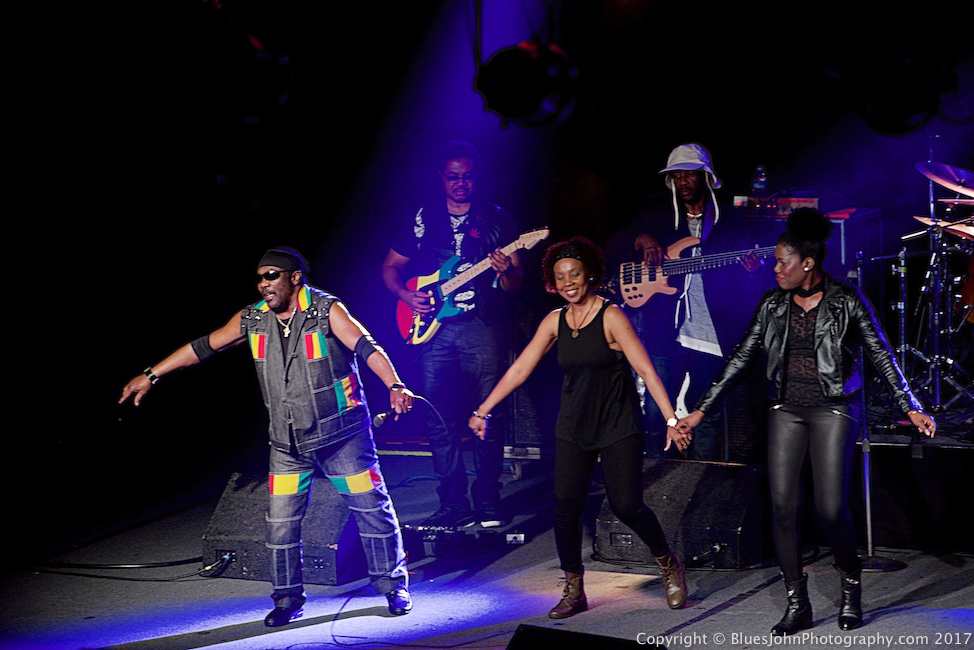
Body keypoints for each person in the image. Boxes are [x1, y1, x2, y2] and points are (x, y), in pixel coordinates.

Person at [119, 247, 414, 626]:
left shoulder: (326, 310)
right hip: (288, 443)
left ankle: (393, 586)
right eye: (260, 277)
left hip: (341, 436)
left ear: (295, 277)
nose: (264, 284)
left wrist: (394, 384)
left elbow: (366, 346)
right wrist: (152, 374)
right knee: (280, 525)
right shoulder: (254, 318)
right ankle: (287, 599)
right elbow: (205, 346)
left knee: (371, 510)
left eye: (272, 275)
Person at [677, 209, 936, 635]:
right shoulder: (772, 303)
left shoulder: (847, 300)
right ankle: (797, 603)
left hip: (834, 408)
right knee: (783, 507)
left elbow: (880, 353)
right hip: (786, 409)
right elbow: (741, 357)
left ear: (808, 263)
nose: (775, 269)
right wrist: (701, 409)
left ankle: (850, 588)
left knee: (831, 509)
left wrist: (910, 404)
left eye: (783, 262)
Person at [468, 236, 690, 618]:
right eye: (560, 277)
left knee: (627, 505)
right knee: (565, 506)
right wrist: (483, 410)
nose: (568, 282)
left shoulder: (612, 316)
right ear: (552, 282)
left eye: (574, 274)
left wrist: (671, 419)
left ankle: (667, 562)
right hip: (573, 425)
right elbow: (520, 369)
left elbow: (646, 370)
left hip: (617, 423)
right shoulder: (554, 321)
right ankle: (574, 587)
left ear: (588, 275)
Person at [381, 139, 523, 529]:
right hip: (434, 331)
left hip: (482, 326)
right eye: (453, 177)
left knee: (487, 414)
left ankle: (488, 498)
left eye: (467, 177)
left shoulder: (498, 219)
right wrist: (407, 295)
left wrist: (505, 271)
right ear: (442, 178)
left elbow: (515, 284)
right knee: (438, 419)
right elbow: (390, 267)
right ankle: (453, 502)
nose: (460, 183)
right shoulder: (423, 217)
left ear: (477, 178)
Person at [606, 143, 769, 460]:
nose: (682, 181)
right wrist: (642, 239)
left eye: (689, 174)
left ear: (705, 177)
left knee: (707, 416)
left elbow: (752, 285)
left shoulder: (729, 219)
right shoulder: (657, 213)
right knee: (657, 413)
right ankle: (655, 475)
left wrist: (754, 271)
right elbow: (616, 243)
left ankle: (703, 477)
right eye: (676, 175)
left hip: (712, 334)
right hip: (666, 331)